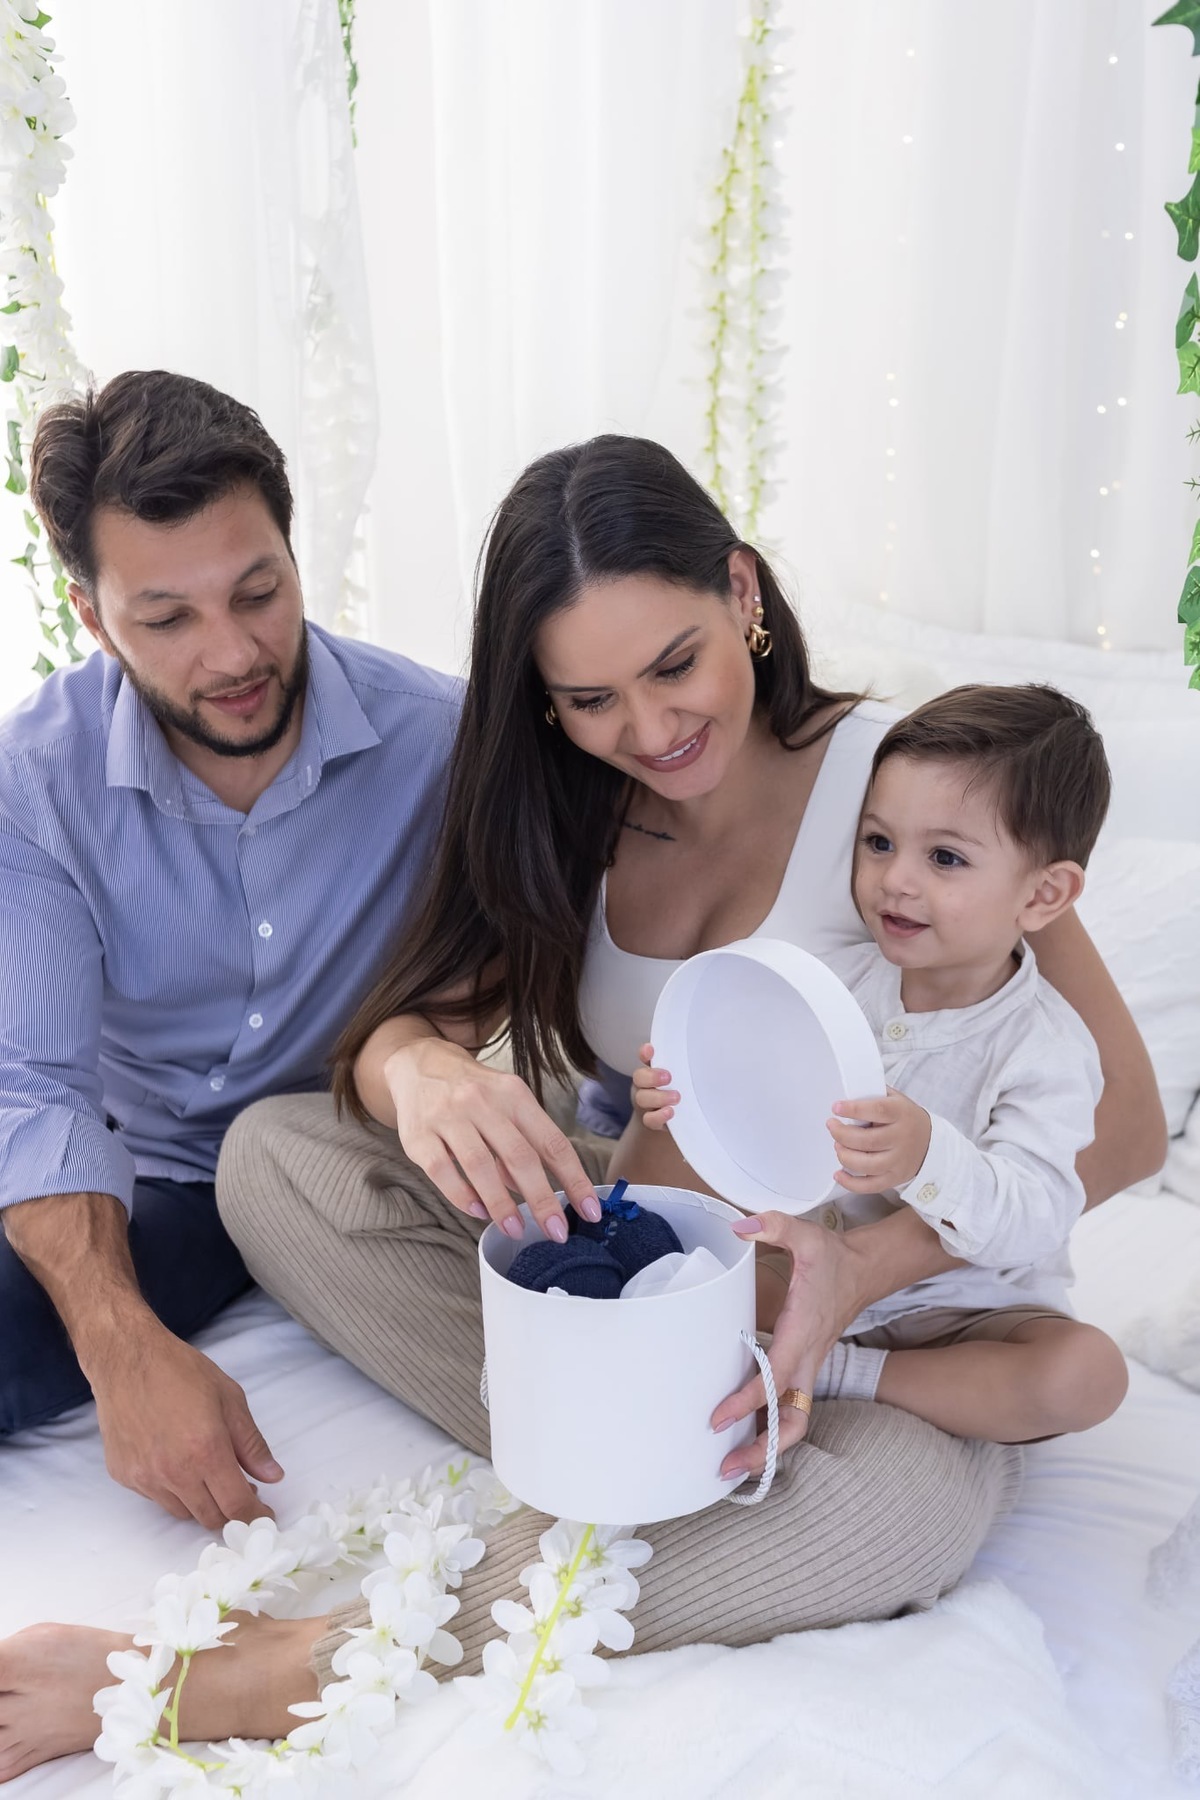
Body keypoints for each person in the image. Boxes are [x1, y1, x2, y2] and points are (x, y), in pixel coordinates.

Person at [0, 436, 1165, 1778]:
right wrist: (427, 1070)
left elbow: (1120, 1125)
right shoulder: (582, 810)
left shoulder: (913, 794)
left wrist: (855, 1272)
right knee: (277, 1158)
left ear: (741, 593)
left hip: (898, 1315)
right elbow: (417, 1024)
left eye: (676, 663)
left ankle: (284, 1665)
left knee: (879, 1529)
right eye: (592, 697)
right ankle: (642, 1442)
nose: (653, 729)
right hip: (665, 1277)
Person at [0, 370, 466, 1531]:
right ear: (94, 617)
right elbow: (35, 1082)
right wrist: (121, 1348)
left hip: (321, 1167)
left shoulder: (444, 743)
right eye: (167, 619)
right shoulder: (36, 781)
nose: (232, 654)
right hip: (140, 1174)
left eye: (259, 592)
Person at [637, 683, 1130, 1450]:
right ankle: (788, 1345)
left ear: (1044, 894)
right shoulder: (828, 978)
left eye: (944, 857)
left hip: (969, 1311)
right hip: (804, 1269)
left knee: (1086, 1373)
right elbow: (755, 1090)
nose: (897, 879)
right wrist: (676, 1094)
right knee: (691, 1270)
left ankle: (842, 1376)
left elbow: (1034, 1215)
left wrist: (930, 1154)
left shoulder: (1046, 1048)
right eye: (878, 843)